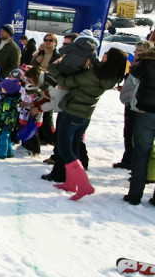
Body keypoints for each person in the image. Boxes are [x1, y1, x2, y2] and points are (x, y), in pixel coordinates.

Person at [48, 47, 128, 200]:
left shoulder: (93, 75)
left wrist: (54, 66)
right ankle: (71, 183)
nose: (103, 55)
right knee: (74, 147)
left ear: (109, 59)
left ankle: (84, 185)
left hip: (72, 112)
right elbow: (96, 68)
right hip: (85, 116)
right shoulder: (109, 76)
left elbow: (65, 81)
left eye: (106, 54)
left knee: (65, 149)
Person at [123, 45, 155, 205]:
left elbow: (132, 77)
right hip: (146, 112)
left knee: (141, 154)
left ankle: (135, 195)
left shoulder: (147, 62)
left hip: (146, 111)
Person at [0, 79, 22, 159]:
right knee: (7, 137)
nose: (1, 88)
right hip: (9, 123)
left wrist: (0, 122)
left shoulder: (7, 101)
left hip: (4, 122)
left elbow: (5, 113)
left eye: (3, 88)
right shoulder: (11, 99)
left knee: (2, 137)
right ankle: (9, 152)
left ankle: (1, 153)